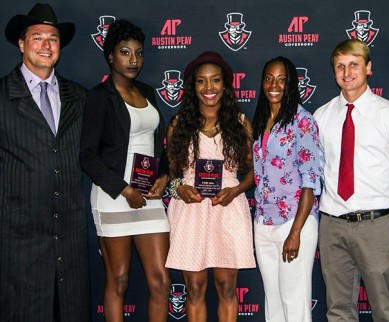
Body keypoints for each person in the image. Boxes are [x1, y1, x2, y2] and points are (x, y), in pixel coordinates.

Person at [0, 3, 90, 321]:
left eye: (52, 38)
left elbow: (100, 153)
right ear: (22, 44)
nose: (46, 45)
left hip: (70, 240)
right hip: (18, 241)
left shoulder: (79, 96)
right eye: (37, 37)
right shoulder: (2, 95)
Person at [313, 39, 389, 322]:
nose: (347, 72)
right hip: (332, 224)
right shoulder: (321, 116)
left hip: (375, 225)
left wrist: (379, 205)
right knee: (338, 309)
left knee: (384, 309)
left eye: (354, 65)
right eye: (340, 66)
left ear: (368, 68)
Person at [79, 19, 170, 322]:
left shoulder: (148, 92)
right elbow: (88, 155)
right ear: (110, 56)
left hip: (150, 197)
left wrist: (165, 177)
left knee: (161, 281)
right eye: (125, 52)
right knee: (118, 280)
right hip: (114, 196)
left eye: (139, 53)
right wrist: (124, 189)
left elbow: (160, 146)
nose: (134, 60)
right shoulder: (99, 97)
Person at [166, 51, 256, 322]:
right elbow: (170, 175)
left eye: (215, 80)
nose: (209, 88)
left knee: (227, 287)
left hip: (227, 207)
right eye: (201, 82)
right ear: (192, 87)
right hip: (190, 210)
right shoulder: (178, 124)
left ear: (225, 85)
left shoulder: (240, 123)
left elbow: (254, 172)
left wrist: (237, 190)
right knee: (194, 289)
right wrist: (179, 188)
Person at [252, 56, 323, 322]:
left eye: (282, 79)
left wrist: (296, 233)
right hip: (264, 223)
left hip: (294, 222)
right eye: (269, 78)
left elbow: (310, 180)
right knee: (274, 303)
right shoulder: (261, 120)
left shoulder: (302, 121)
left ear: (291, 84)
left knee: (295, 304)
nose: (274, 85)